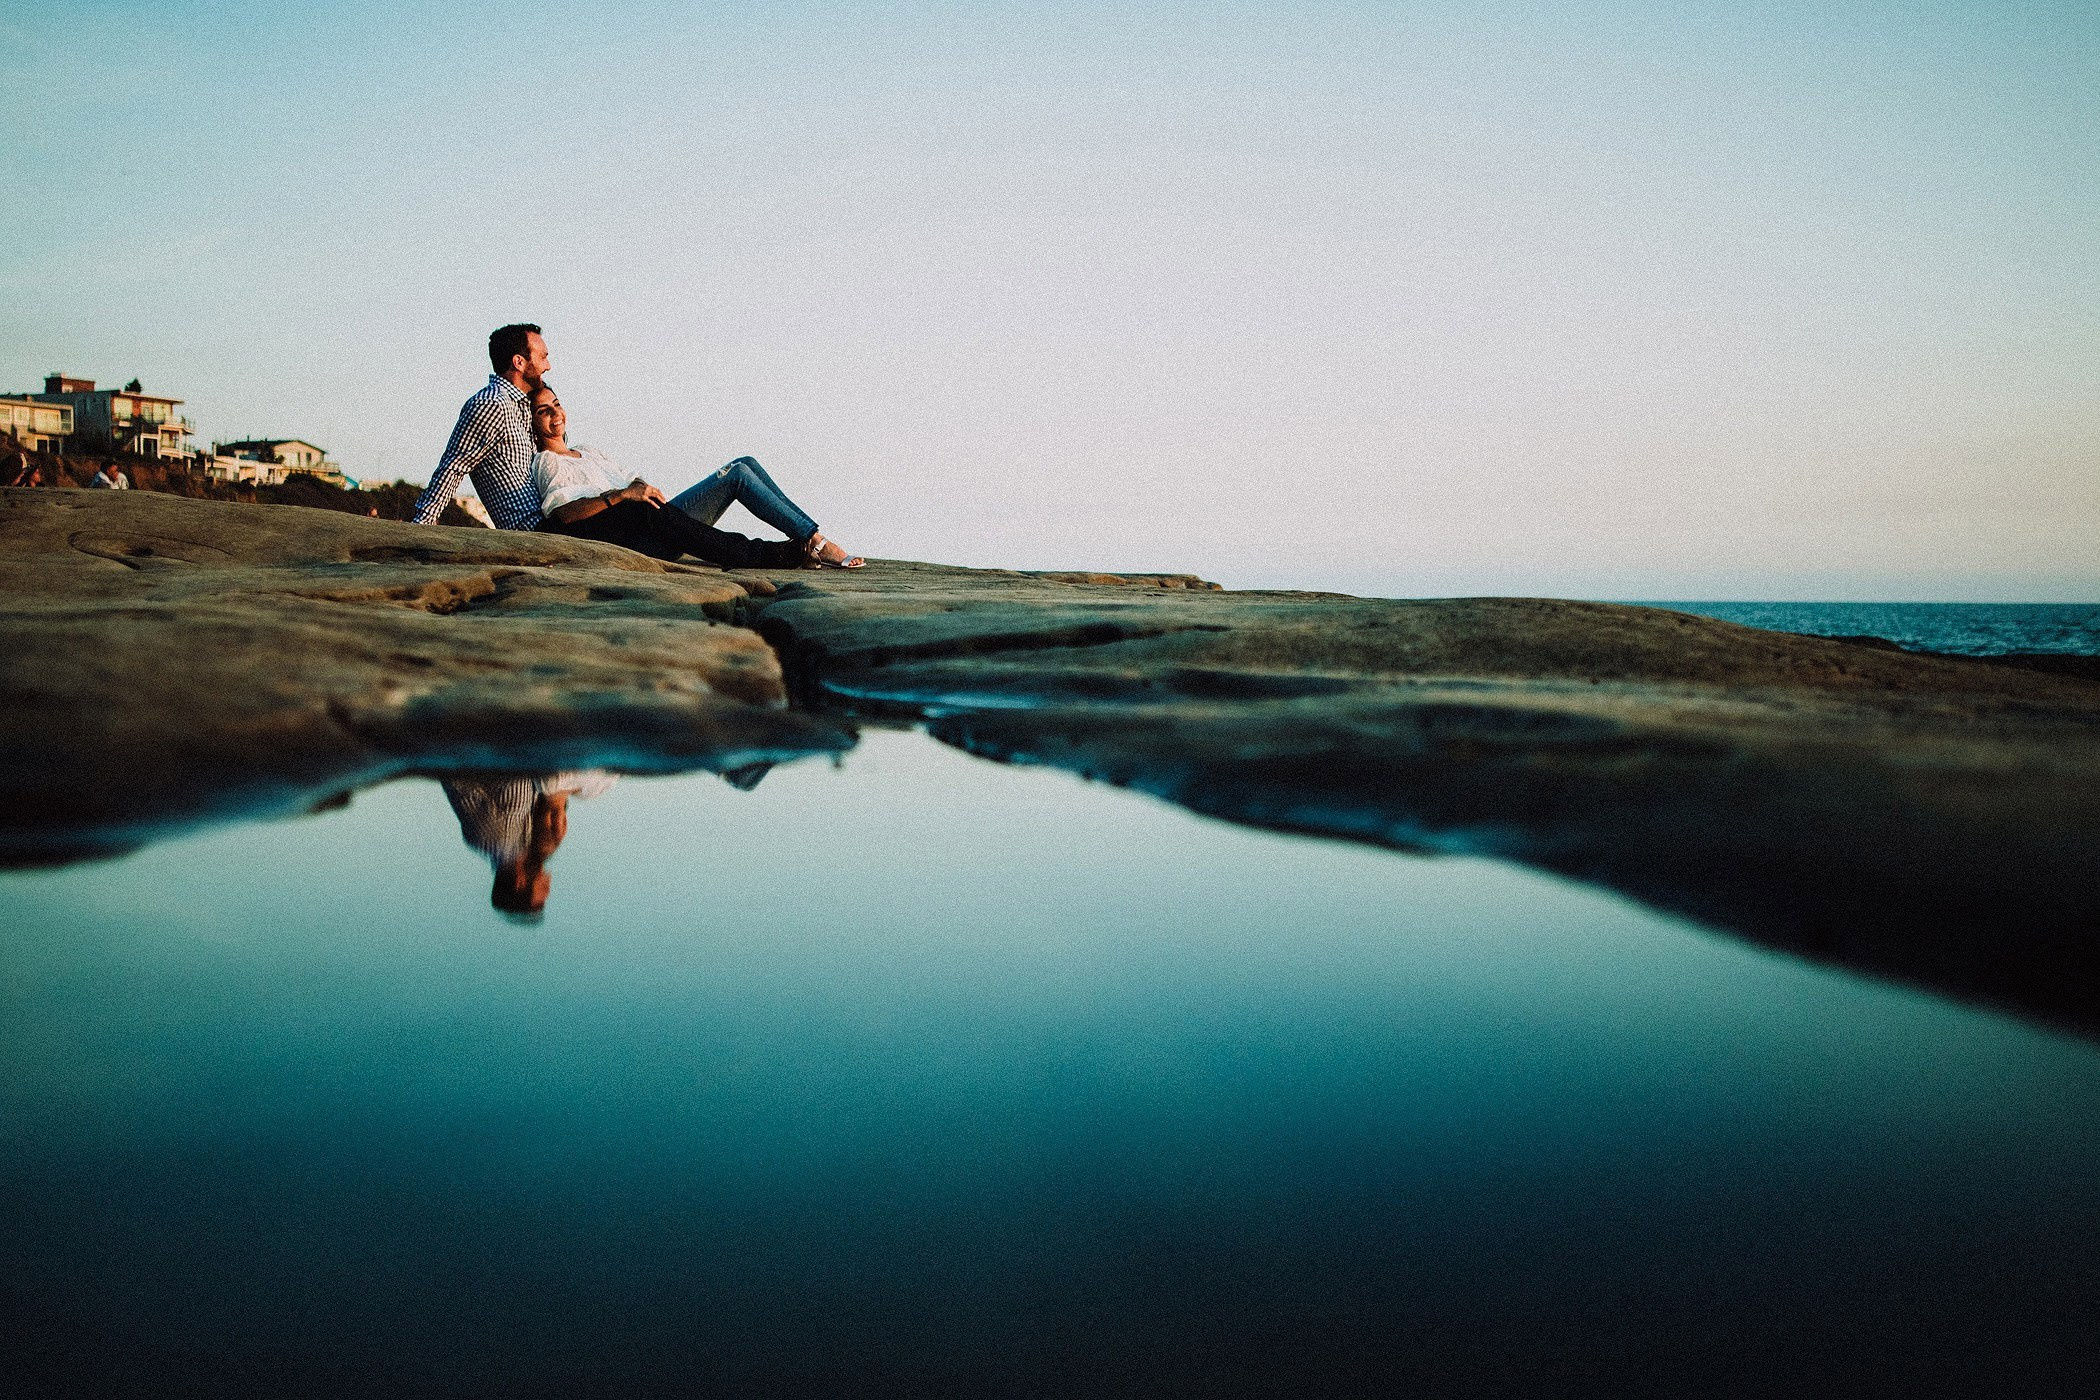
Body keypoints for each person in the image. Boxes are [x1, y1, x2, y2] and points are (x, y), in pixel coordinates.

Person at [528, 384, 864, 569]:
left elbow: (637, 481)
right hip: (639, 537)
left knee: (744, 462)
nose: (555, 413)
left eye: (556, 404)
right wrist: (620, 496)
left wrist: (638, 489)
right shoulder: (547, 462)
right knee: (737, 475)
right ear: (533, 423)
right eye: (544, 410)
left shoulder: (588, 450)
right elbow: (563, 513)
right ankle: (818, 543)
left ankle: (811, 537)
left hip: (659, 519)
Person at [412, 323, 548, 530]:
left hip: (550, 520)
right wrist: (420, 527)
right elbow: (454, 466)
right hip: (533, 529)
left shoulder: (523, 406)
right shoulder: (491, 403)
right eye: (543, 357)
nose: (547, 366)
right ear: (519, 362)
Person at [441, 770, 617, 919]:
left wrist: (556, 801)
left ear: (520, 883)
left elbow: (524, 773)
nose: (548, 885)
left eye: (542, 889)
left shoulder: (499, 839)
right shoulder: (524, 846)